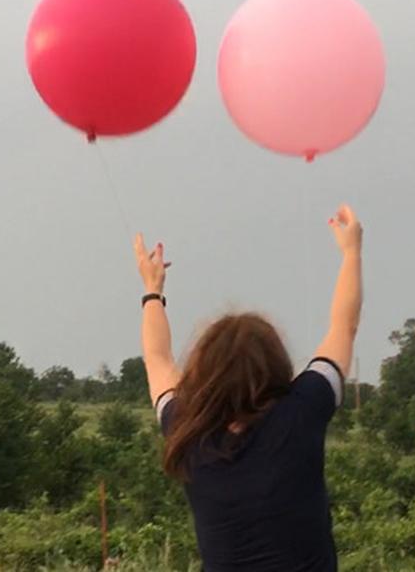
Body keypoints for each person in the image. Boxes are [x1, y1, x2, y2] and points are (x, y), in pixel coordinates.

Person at [133, 204, 363, 572]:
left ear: (204, 370)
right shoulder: (301, 413)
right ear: (274, 364)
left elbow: (157, 359)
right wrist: (352, 252)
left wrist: (152, 290)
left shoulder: (188, 431)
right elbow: (344, 327)